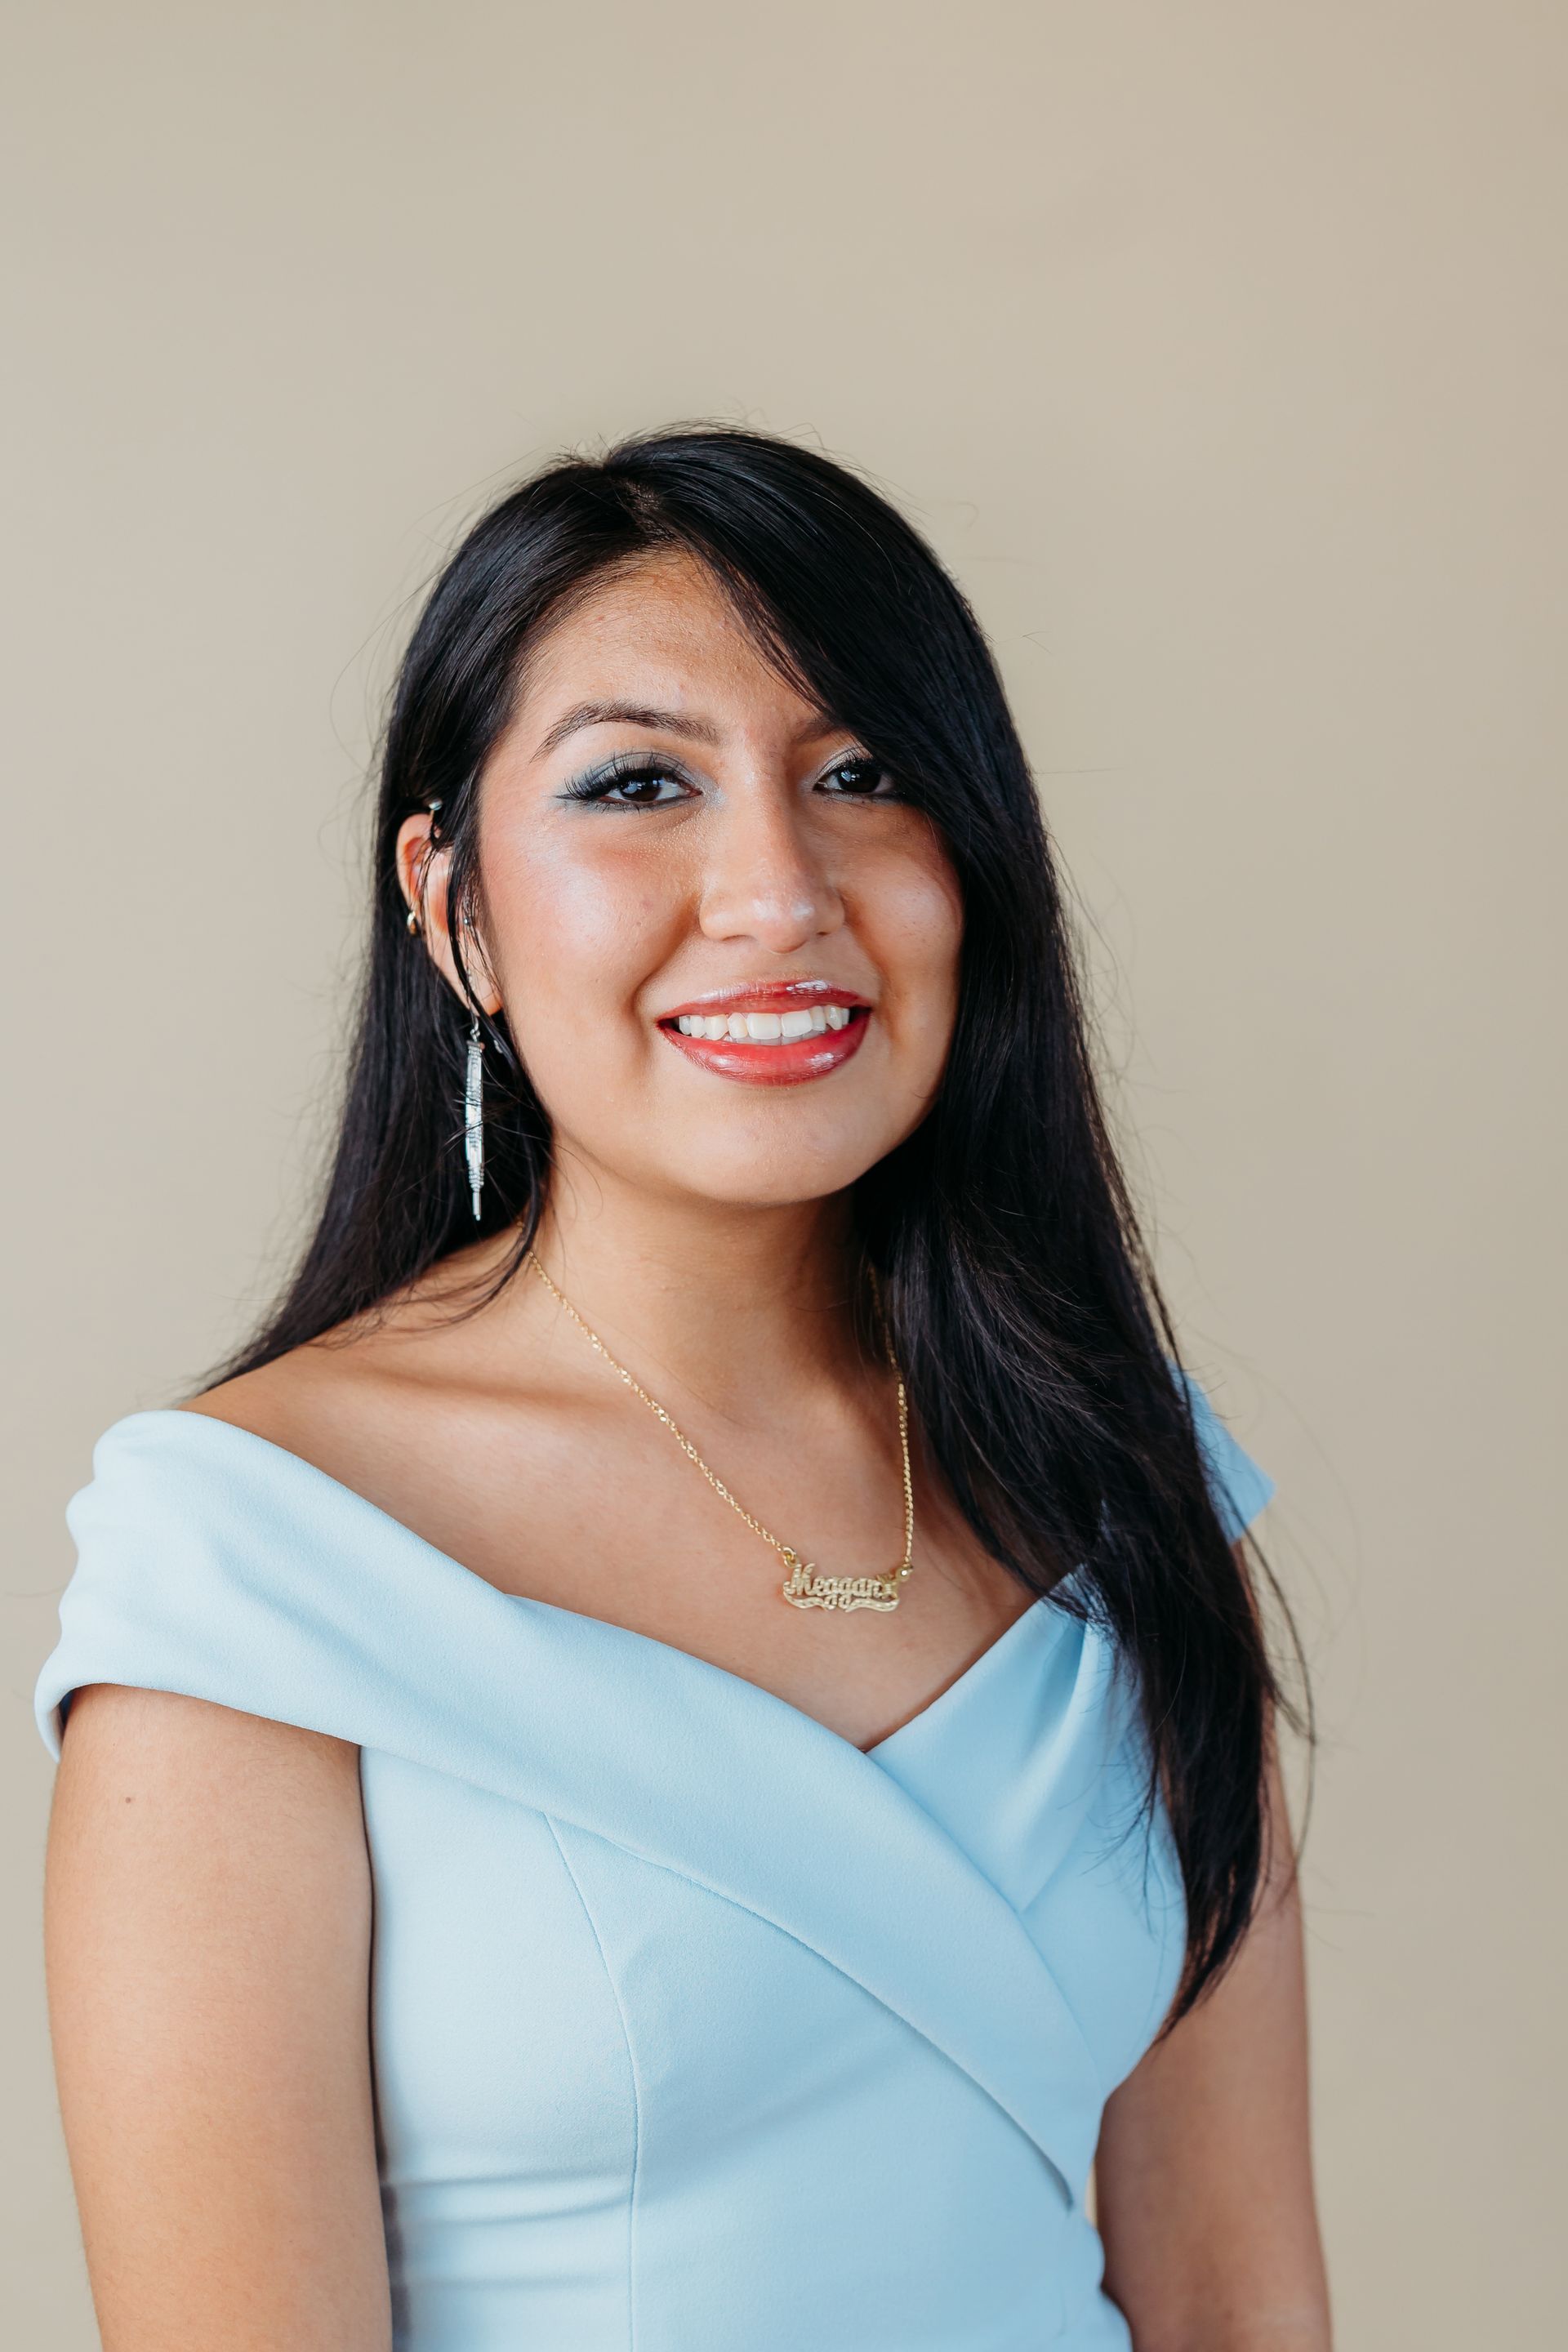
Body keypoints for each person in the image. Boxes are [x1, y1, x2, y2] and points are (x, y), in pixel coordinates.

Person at [34, 425, 1332, 2350]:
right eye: (640, 783)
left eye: (862, 776)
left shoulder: (1115, 1472)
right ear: (453, 903)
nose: (776, 888)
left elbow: (1238, 2296)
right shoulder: (259, 1565)